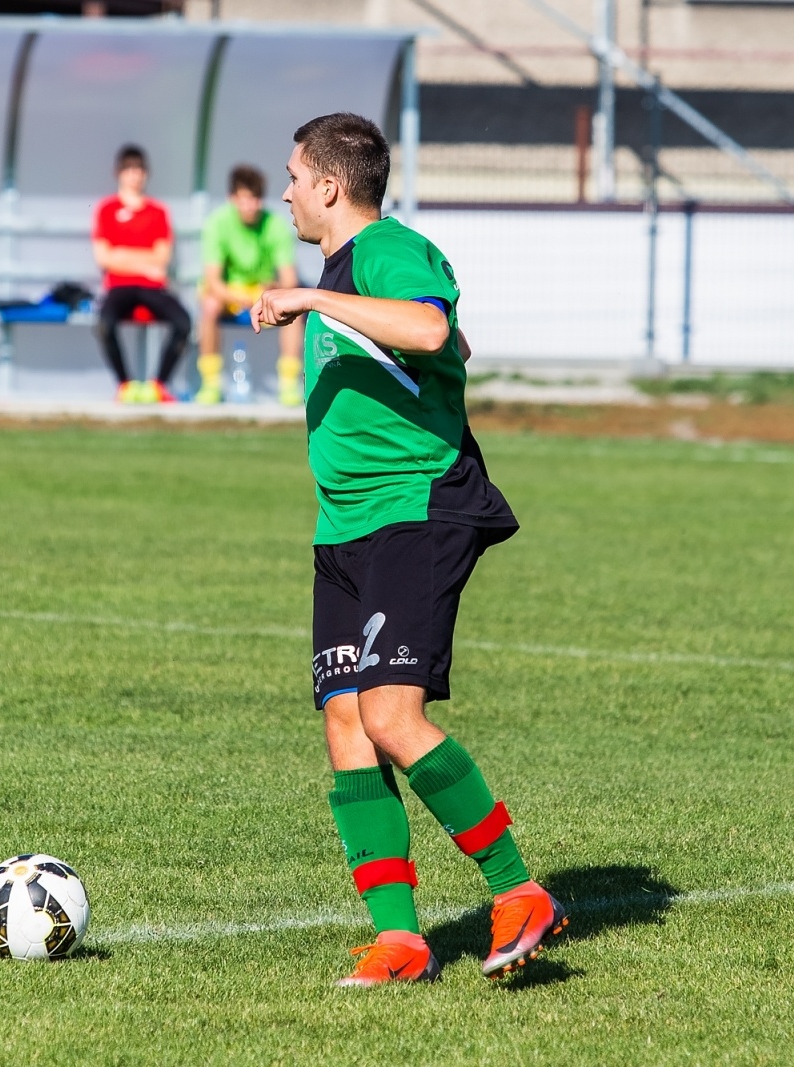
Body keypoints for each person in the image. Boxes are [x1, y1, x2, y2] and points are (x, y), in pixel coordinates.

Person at [252, 113, 565, 987]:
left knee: (391, 715)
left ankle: (518, 890)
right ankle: (400, 939)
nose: (283, 194)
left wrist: (309, 300)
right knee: (346, 722)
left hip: (414, 509)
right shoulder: (351, 272)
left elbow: (432, 331)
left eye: (292, 177)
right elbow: (453, 346)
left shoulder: (387, 248)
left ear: (328, 186)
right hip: (345, 525)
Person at [91, 145, 191, 404]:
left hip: (152, 288)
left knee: (183, 322)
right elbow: (104, 259)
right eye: (129, 170)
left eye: (139, 170)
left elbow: (162, 258)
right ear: (119, 173)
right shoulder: (106, 209)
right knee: (104, 325)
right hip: (119, 287)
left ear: (146, 174)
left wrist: (122, 255)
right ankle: (125, 385)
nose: (135, 176)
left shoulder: (157, 212)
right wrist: (144, 263)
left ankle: (158, 385)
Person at [196, 165, 302, 406]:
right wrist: (237, 297)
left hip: (261, 296)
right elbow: (212, 281)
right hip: (228, 296)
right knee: (209, 305)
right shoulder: (217, 223)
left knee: (294, 309)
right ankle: (210, 384)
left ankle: (289, 384)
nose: (249, 206)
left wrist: (271, 289)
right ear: (231, 199)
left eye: (254, 199)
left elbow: (289, 281)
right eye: (243, 200)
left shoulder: (275, 225)